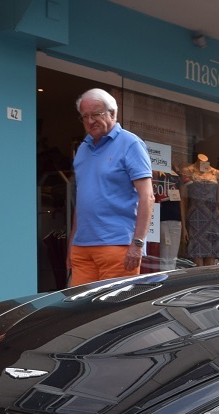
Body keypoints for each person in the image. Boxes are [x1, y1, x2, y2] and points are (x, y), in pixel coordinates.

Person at [68, 88, 152, 287]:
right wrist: (71, 245)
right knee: (79, 313)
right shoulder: (83, 149)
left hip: (117, 245)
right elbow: (82, 200)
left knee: (113, 314)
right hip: (82, 247)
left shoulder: (130, 144)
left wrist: (138, 244)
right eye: (85, 116)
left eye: (96, 114)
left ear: (113, 113)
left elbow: (147, 197)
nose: (90, 121)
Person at [180, 152, 219, 265]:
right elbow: (183, 200)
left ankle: (209, 282)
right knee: (196, 258)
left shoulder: (217, 174)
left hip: (213, 219)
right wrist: (183, 226)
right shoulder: (188, 171)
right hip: (195, 220)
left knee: (211, 257)